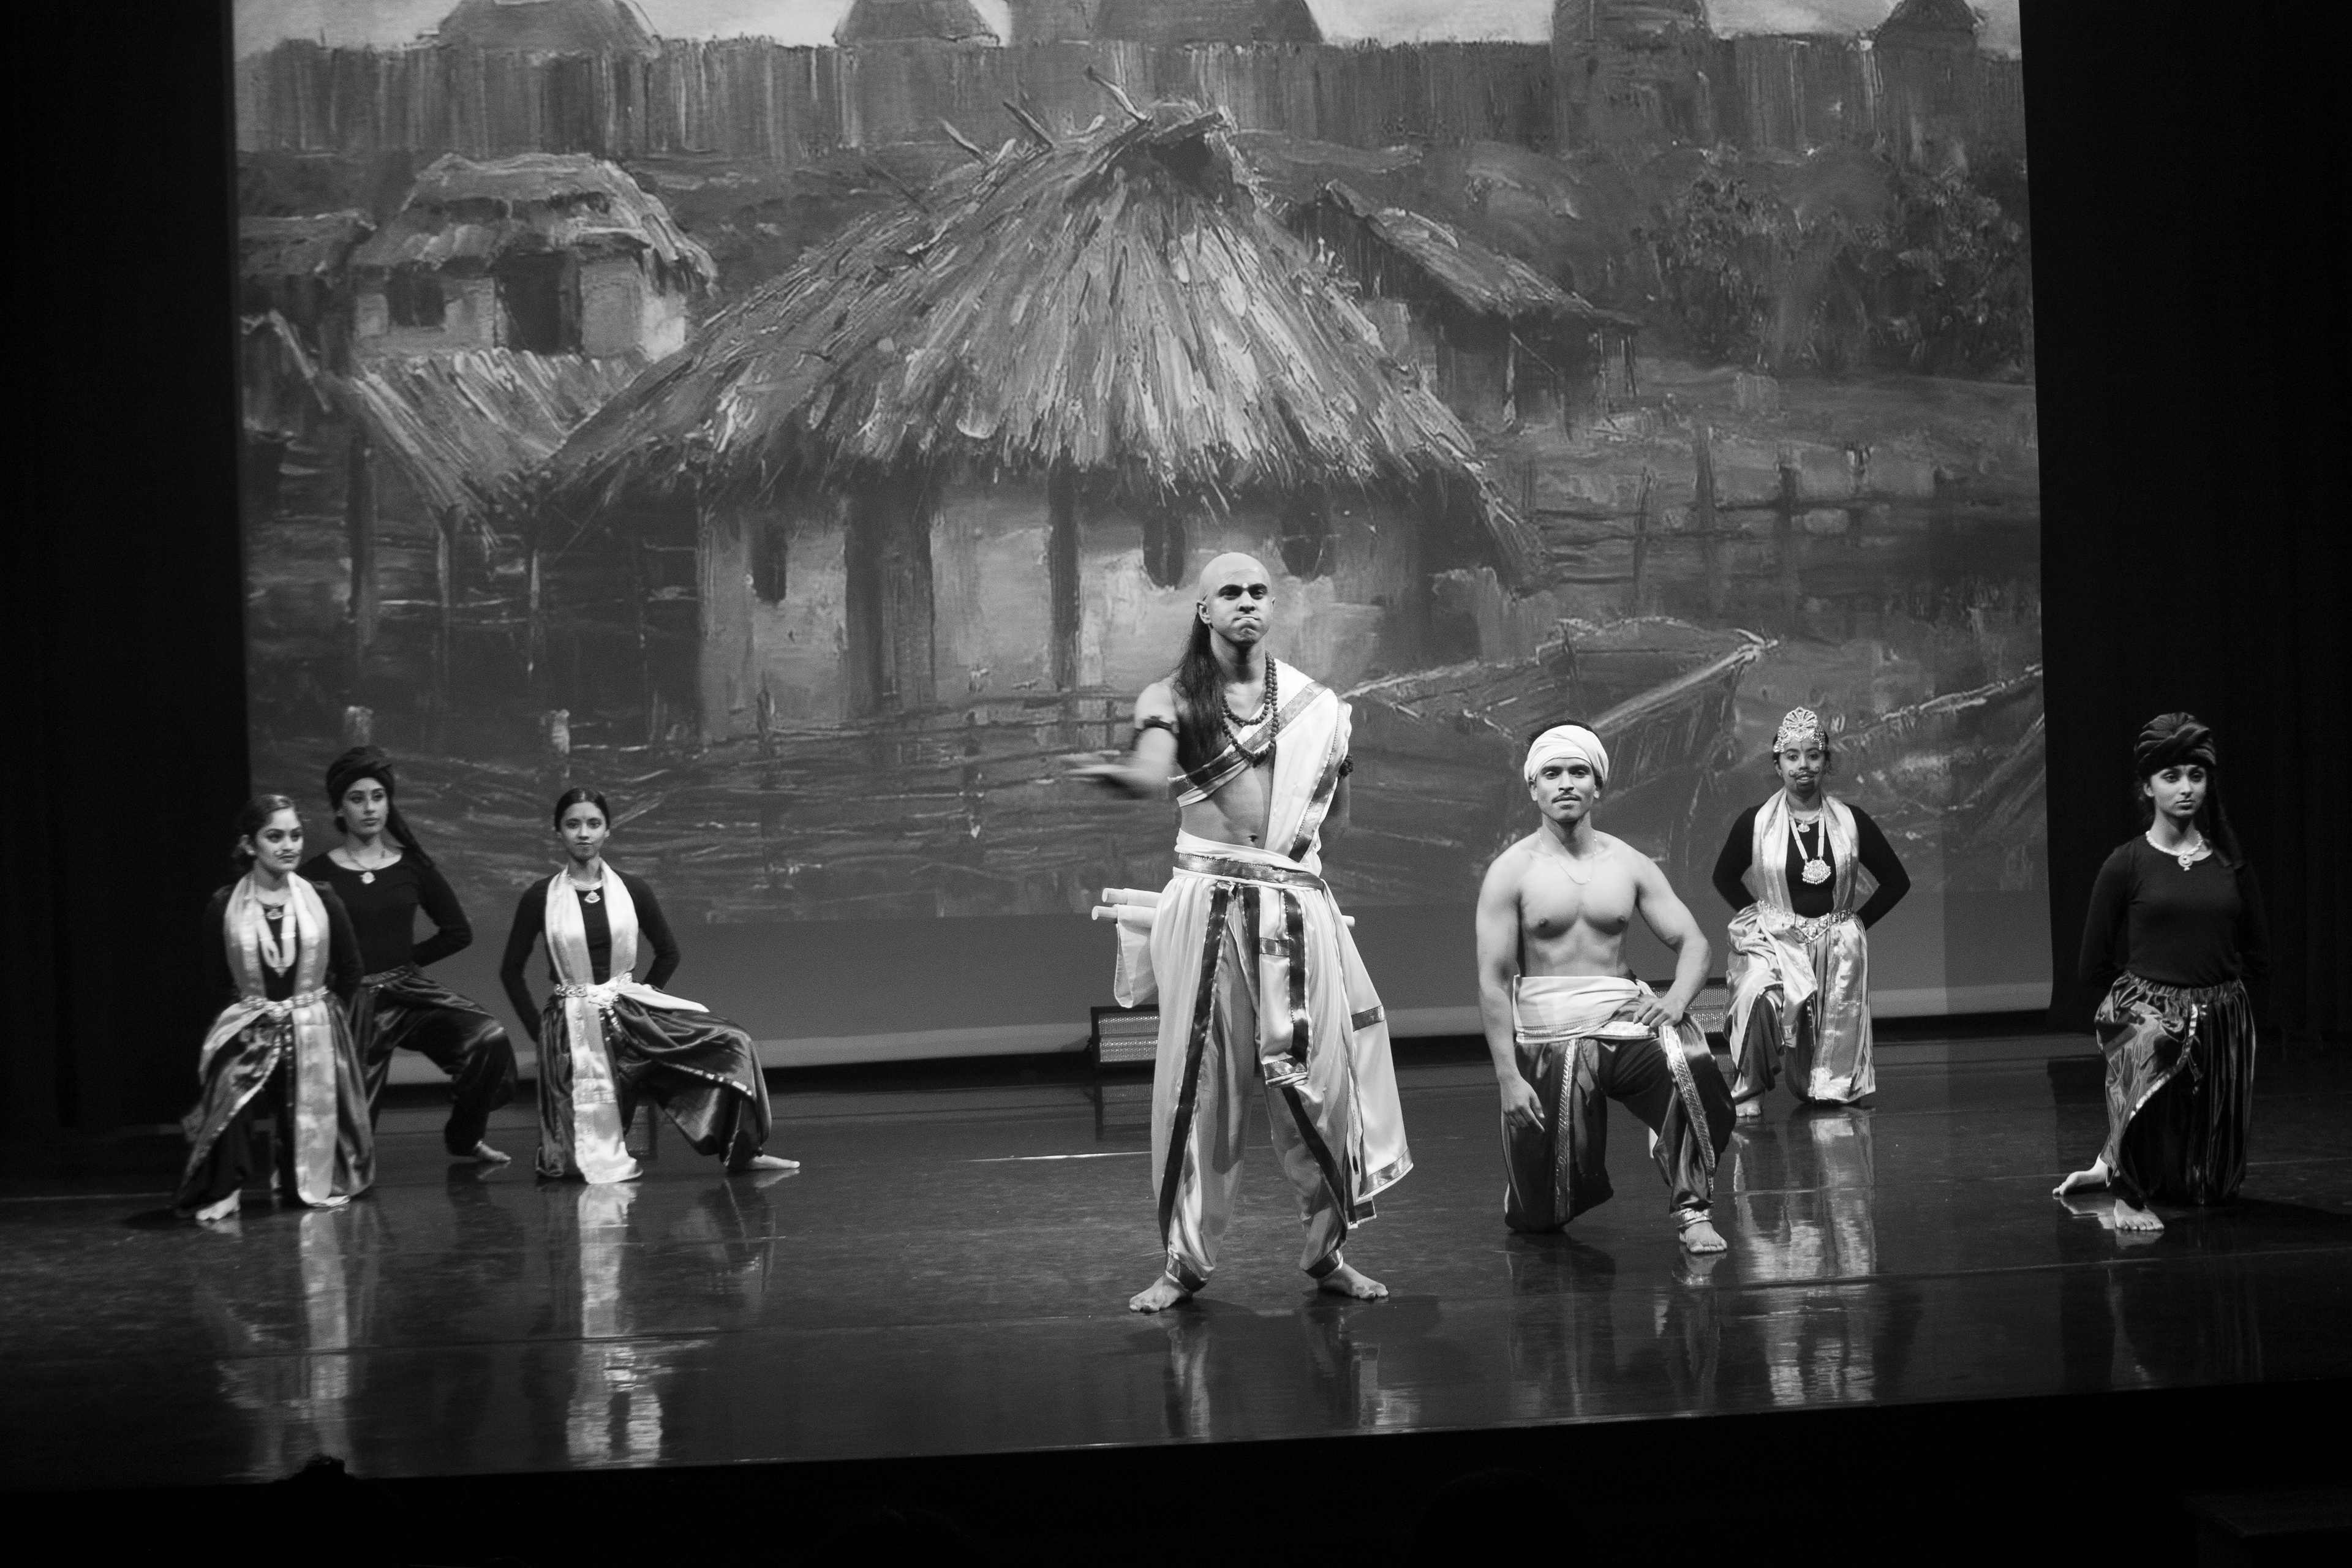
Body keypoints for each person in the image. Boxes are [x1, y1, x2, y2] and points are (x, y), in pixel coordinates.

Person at [1077, 552, 1408, 1312]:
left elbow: (1336, 816)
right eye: (1230, 592)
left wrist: (1289, 859)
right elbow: (1149, 771)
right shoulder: (1172, 697)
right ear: (1204, 609)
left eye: (1259, 591)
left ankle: (1328, 1252)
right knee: (1202, 1087)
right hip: (1210, 908)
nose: (1247, 602)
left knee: (1320, 1085)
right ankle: (1182, 1264)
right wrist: (1110, 774)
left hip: (1296, 906)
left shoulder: (1318, 707)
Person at [1475, 724, 1736, 1252]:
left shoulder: (1629, 863)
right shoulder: (1510, 872)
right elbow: (1494, 981)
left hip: (1622, 1017)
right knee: (1538, 1218)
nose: (1566, 784)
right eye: (1552, 773)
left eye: (1579, 772)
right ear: (1533, 787)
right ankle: (1532, 1194)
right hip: (1549, 1031)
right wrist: (1508, 1079)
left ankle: (1693, 1211)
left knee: (1690, 1063)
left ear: (1598, 785)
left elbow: (1693, 942)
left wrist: (1676, 1001)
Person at [499, 788, 797, 1183]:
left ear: (608, 831)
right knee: (574, 1166)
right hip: (571, 1028)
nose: (584, 833)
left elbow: (668, 953)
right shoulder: (540, 897)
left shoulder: (632, 889)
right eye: (573, 825)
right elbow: (511, 970)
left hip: (627, 1011)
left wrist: (640, 1000)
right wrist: (539, 1034)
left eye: (594, 824)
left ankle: (744, 1152)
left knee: (732, 1043)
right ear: (559, 832)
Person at [2055, 713, 2267, 1233]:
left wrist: (2218, 1008)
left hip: (2220, 1021)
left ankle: (2109, 1165)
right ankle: (2126, 1190)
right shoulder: (2127, 864)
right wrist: (2144, 1006)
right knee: (2149, 1043)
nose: (2186, 788)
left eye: (2196, 775)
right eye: (2171, 777)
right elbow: (2092, 964)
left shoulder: (2229, 864)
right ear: (2148, 787)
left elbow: (2258, 956)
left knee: (2209, 1189)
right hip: (2147, 1013)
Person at [300, 747, 518, 1163]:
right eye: (357, 799)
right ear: (340, 809)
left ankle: (465, 1138)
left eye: (378, 797)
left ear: (389, 803)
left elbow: (457, 933)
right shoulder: (315, 876)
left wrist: (404, 960)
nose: (370, 808)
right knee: (351, 1142)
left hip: (406, 994)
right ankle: (327, 1165)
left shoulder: (411, 866)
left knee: (486, 1038)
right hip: (351, 1004)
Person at [175, 795, 375, 1223]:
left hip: (314, 1022)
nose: (289, 846)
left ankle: (301, 1177)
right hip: (254, 1019)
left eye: (295, 836)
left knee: (311, 1076)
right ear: (250, 845)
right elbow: (216, 978)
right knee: (230, 1079)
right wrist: (252, 1013)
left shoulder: (323, 898)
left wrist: (325, 1014)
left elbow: (351, 969)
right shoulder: (224, 905)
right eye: (275, 837)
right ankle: (227, 1189)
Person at [1712, 707, 1910, 1116]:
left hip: (1835, 945)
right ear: (1778, 765)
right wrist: (1761, 919)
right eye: (1792, 756)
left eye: (1813, 755)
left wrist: (1854, 924)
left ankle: (1832, 1088)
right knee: (1755, 993)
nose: (1803, 765)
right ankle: (1750, 1088)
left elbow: (1896, 881)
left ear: (1826, 762)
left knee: (1825, 1085)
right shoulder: (1755, 823)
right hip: (1775, 940)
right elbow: (1724, 877)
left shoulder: (1851, 822)